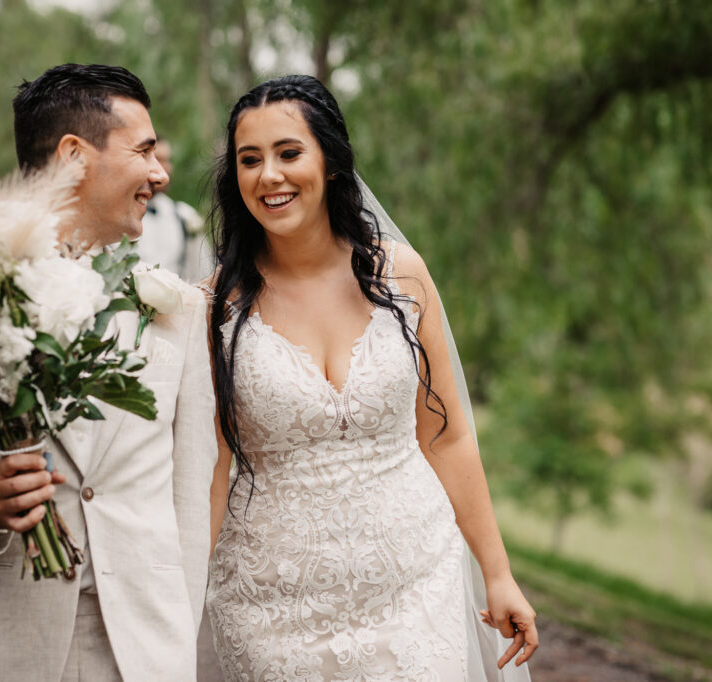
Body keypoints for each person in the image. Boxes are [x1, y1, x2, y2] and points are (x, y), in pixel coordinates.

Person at [0, 64, 217, 682]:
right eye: (144, 151)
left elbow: (189, 493)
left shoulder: (174, 309)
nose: (161, 173)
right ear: (75, 156)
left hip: (141, 651)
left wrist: (179, 642)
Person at [204, 75, 538, 680]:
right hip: (269, 608)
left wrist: (497, 572)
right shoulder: (216, 308)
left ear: (330, 162)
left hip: (416, 585)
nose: (268, 176)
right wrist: (179, 599)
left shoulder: (400, 274)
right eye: (249, 161)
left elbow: (447, 436)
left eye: (288, 153)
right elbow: (212, 467)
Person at [135, 139, 209, 282]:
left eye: (168, 161)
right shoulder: (117, 215)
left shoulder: (185, 215)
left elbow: (202, 272)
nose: (165, 168)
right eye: (158, 160)